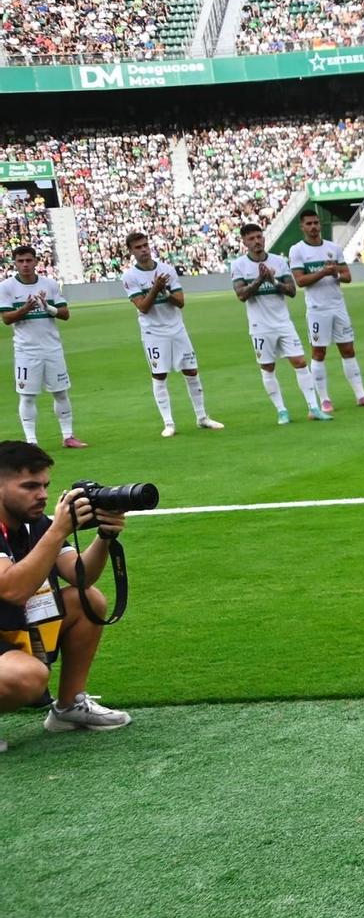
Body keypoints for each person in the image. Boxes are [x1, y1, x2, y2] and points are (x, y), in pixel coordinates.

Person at [0, 442, 132, 735]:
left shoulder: (35, 524)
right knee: (28, 677)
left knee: (88, 601)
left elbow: (80, 575)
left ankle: (69, 707)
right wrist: (59, 529)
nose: (43, 495)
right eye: (30, 486)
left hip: (8, 629)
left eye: (45, 485)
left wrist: (105, 536)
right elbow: (12, 590)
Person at [122, 230, 223, 437]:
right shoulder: (130, 276)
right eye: (138, 248)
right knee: (159, 375)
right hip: (153, 332)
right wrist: (155, 289)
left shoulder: (167, 269)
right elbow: (142, 307)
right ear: (131, 252)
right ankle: (169, 423)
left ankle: (202, 417)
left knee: (191, 371)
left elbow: (181, 302)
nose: (143, 250)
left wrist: (165, 291)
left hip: (176, 328)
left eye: (145, 245)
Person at [230, 223, 327, 425]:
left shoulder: (279, 261)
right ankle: (282, 411)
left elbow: (292, 291)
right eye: (251, 238)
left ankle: (313, 407)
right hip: (259, 326)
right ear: (244, 242)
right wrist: (259, 279)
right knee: (268, 367)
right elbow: (241, 295)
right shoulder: (238, 264)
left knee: (300, 362)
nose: (257, 241)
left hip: (283, 323)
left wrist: (273, 281)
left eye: (259, 236)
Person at [288, 209, 364, 412]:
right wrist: (323, 272)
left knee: (348, 350)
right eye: (309, 224)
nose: (313, 227)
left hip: (338, 306)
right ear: (302, 227)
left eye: (316, 223)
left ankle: (361, 395)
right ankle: (324, 399)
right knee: (319, 352)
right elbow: (300, 281)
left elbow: (347, 276)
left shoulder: (333, 248)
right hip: (317, 309)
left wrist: (336, 271)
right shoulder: (297, 250)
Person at [0, 245, 85, 447]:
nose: (25, 265)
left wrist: (48, 307)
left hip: (52, 348)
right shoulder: (6, 287)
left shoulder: (50, 284)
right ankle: (31, 441)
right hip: (26, 350)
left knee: (61, 392)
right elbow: (6, 318)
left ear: (36, 261)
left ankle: (68, 436)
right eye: (20, 261)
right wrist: (26, 308)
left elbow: (65, 314)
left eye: (29, 260)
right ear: (15, 263)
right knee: (27, 396)